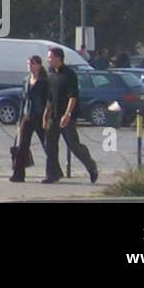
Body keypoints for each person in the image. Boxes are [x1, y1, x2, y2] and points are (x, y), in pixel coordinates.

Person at [43, 46, 98, 184]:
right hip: (53, 116)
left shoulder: (69, 74)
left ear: (58, 58)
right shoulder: (50, 74)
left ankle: (91, 167)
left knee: (73, 145)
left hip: (67, 117)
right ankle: (53, 174)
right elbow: (49, 97)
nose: (48, 60)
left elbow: (73, 96)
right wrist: (46, 114)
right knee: (49, 145)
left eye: (50, 57)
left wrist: (67, 114)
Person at [9, 55, 49, 182]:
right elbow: (23, 100)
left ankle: (52, 172)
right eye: (28, 63)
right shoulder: (26, 80)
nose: (30, 66)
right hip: (27, 117)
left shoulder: (44, 81)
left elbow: (48, 100)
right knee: (21, 146)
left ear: (38, 65)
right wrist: (20, 119)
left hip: (40, 116)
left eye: (32, 63)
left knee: (47, 145)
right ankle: (18, 174)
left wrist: (46, 116)